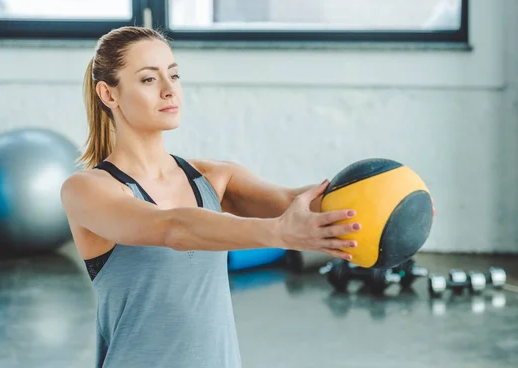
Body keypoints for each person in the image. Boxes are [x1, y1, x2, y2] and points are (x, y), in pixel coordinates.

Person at [60, 26, 434, 368]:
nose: (169, 89)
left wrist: (398, 205)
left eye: (173, 74)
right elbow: (172, 228)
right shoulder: (88, 190)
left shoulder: (215, 178)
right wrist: (278, 234)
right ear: (108, 93)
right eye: (148, 79)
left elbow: (298, 201)